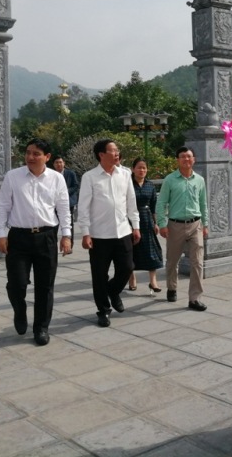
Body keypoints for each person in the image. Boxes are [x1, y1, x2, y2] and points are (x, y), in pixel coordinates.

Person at [0, 138, 72, 347]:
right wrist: (0, 234)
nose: (30, 157)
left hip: (46, 237)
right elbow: (2, 206)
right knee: (17, 283)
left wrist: (66, 235)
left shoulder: (56, 178)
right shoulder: (13, 177)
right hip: (18, 237)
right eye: (28, 152)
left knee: (45, 286)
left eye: (36, 153)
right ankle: (20, 310)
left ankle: (41, 327)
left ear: (47, 157)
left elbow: (63, 208)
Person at [78, 139, 140, 328]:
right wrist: (85, 233)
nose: (117, 153)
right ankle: (103, 310)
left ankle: (113, 291)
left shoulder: (125, 174)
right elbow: (83, 207)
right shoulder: (89, 177)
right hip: (99, 235)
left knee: (127, 267)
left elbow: (131, 202)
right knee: (99, 275)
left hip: (123, 231)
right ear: (101, 155)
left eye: (117, 150)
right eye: (113, 150)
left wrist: (136, 226)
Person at [155, 146, 209, 311]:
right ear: (177, 160)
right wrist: (162, 224)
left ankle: (195, 298)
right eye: (183, 157)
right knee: (172, 260)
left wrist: (205, 224)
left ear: (194, 159)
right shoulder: (170, 180)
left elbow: (203, 203)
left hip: (195, 224)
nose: (186, 159)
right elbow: (161, 203)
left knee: (197, 262)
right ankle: (172, 287)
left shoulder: (199, 180)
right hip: (175, 225)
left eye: (189, 156)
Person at [127, 158, 164, 293]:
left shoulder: (150, 185)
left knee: (151, 251)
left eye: (144, 168)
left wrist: (156, 223)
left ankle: (153, 281)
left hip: (147, 220)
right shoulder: (128, 184)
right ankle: (132, 278)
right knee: (131, 250)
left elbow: (154, 205)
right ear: (133, 169)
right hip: (130, 220)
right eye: (139, 167)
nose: (142, 170)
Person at [52, 155, 79, 241]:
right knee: (53, 224)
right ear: (53, 164)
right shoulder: (51, 175)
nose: (59, 164)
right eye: (56, 162)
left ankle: (69, 243)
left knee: (69, 223)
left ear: (64, 163)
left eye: (60, 162)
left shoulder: (70, 173)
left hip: (68, 202)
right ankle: (53, 242)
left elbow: (76, 186)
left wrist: (66, 191)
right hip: (54, 203)